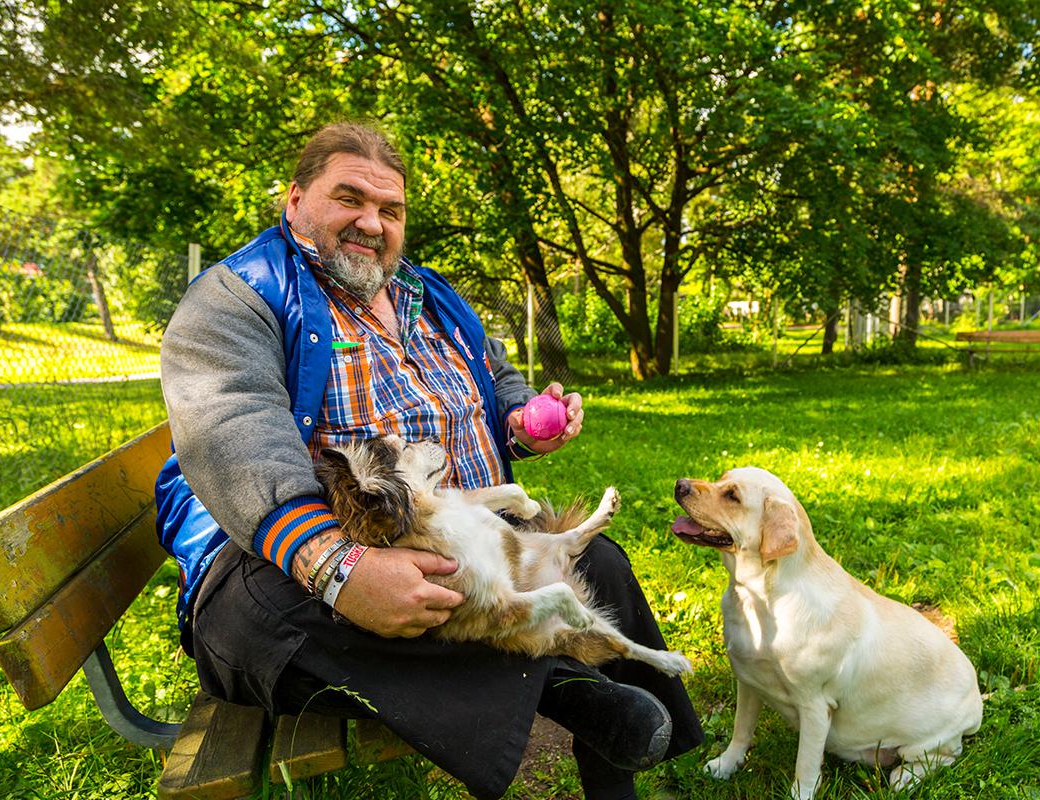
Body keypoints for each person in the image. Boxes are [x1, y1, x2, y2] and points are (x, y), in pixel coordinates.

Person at [155, 121, 702, 800]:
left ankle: (609, 752)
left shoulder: (428, 293)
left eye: (389, 210)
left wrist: (524, 422)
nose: (371, 222)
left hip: (456, 530)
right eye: (349, 198)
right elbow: (234, 431)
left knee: (599, 563)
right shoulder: (235, 299)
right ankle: (575, 693)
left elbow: (493, 376)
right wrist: (338, 567)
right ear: (294, 201)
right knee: (260, 614)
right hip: (302, 548)